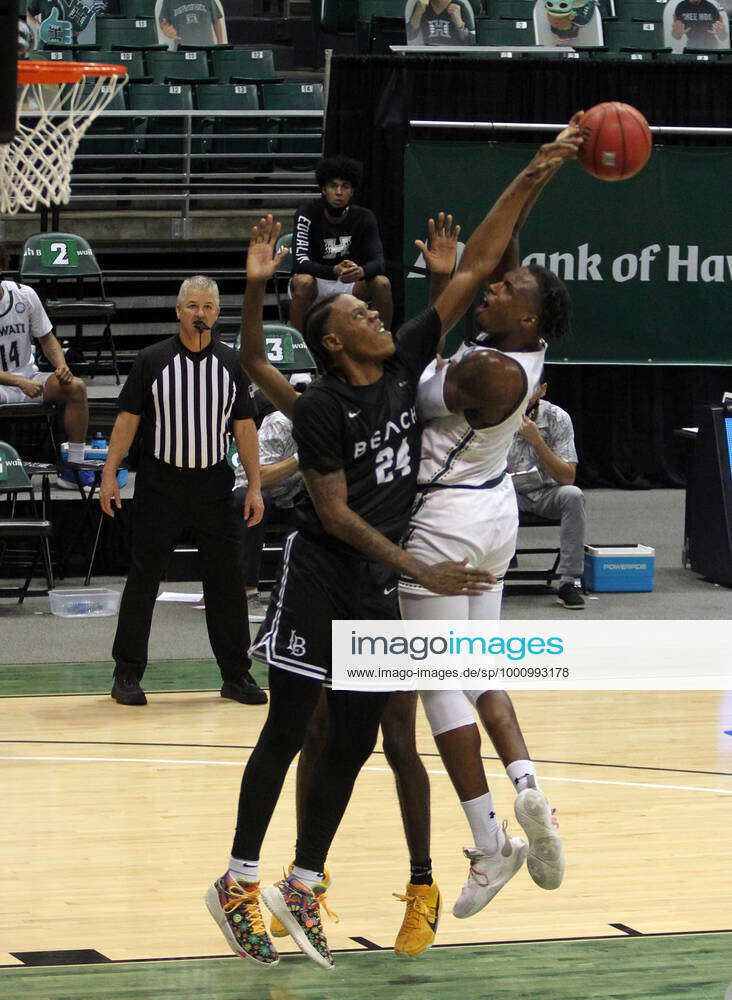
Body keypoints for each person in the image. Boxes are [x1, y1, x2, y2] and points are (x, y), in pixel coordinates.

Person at [205, 131, 584, 971]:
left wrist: (537, 168)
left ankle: (304, 881)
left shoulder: (408, 356)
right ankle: (237, 879)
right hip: (328, 574)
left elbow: (480, 263)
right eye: (358, 314)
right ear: (336, 343)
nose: (376, 312)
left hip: (387, 576)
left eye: (375, 308)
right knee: (291, 729)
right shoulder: (320, 406)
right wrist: (259, 291)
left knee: (356, 741)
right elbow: (334, 513)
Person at [398, 114, 585, 921]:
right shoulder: (522, 346)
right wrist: (541, 171)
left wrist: (449, 284)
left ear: (527, 318)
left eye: (510, 292)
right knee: (484, 671)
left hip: (446, 523)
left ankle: (490, 843)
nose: (496, 288)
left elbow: (409, 385)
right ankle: (528, 788)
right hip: (494, 513)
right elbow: (493, 254)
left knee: (439, 685)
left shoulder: (489, 371)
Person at [99, 275, 266, 708]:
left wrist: (256, 486)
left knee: (227, 583)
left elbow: (245, 427)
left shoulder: (231, 364)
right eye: (192, 305)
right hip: (161, 484)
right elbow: (127, 419)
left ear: (217, 313)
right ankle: (127, 672)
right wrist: (109, 473)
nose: (200, 313)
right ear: (178, 312)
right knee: (144, 580)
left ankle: (235, 675)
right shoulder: (152, 361)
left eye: (208, 307)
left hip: (213, 484)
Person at [0, 245, 92, 488]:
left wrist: (61, 366)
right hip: (10, 383)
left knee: (76, 388)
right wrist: (19, 382)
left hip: (29, 376)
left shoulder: (24, 294)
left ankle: (73, 467)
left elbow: (46, 338)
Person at [289, 156, 393, 336]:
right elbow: (299, 262)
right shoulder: (307, 212)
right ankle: (299, 346)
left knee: (382, 283)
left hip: (350, 282)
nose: (338, 192)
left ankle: (383, 341)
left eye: (345, 186)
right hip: (317, 280)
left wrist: (361, 271)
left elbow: (379, 262)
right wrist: (332, 271)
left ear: (352, 191)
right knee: (302, 282)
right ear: (323, 189)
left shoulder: (365, 217)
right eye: (333, 186)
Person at [507, 377, 587, 609]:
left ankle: (569, 582)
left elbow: (567, 476)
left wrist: (538, 441)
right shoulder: (497, 414)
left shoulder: (557, 417)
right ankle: (495, 569)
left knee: (573, 495)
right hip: (508, 493)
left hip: (546, 492)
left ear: (542, 390)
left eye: (530, 387)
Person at [27, 0, 105, 48]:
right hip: (47, 44)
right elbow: (27, 13)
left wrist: (76, 29)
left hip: (69, 45)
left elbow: (79, 26)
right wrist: (39, 26)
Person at [159, 0, 226, 46]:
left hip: (207, 48)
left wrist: (220, 44)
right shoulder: (168, 1)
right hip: (181, 49)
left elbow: (216, 21)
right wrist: (166, 28)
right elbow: (163, 21)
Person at [407, 0, 474, 45]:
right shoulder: (421, 4)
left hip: (454, 55)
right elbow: (410, 35)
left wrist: (459, 23)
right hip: (429, 55)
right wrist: (417, 13)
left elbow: (471, 40)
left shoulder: (459, 6)